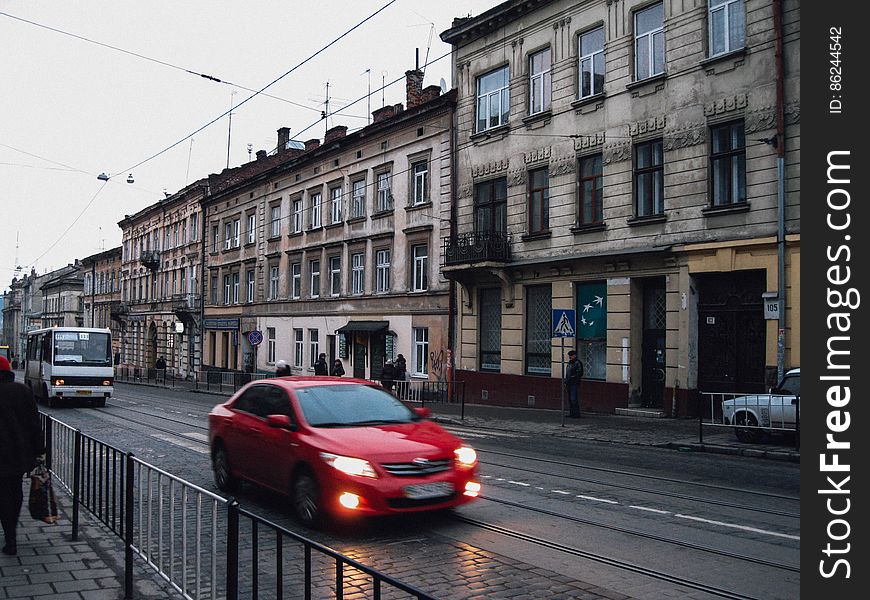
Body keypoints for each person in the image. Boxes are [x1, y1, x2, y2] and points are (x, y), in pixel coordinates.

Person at [0, 355, 45, 556]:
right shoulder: (22, 391)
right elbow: (34, 424)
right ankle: (11, 536)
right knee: (13, 494)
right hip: (15, 456)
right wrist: (40, 451)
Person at [564, 350, 583, 418]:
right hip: (569, 382)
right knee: (570, 399)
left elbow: (580, 373)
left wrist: (573, 377)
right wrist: (566, 381)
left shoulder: (577, 363)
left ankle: (576, 414)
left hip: (574, 383)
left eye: (571, 355)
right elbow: (567, 373)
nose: (570, 357)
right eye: (569, 356)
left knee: (573, 399)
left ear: (574, 355)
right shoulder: (570, 363)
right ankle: (572, 413)